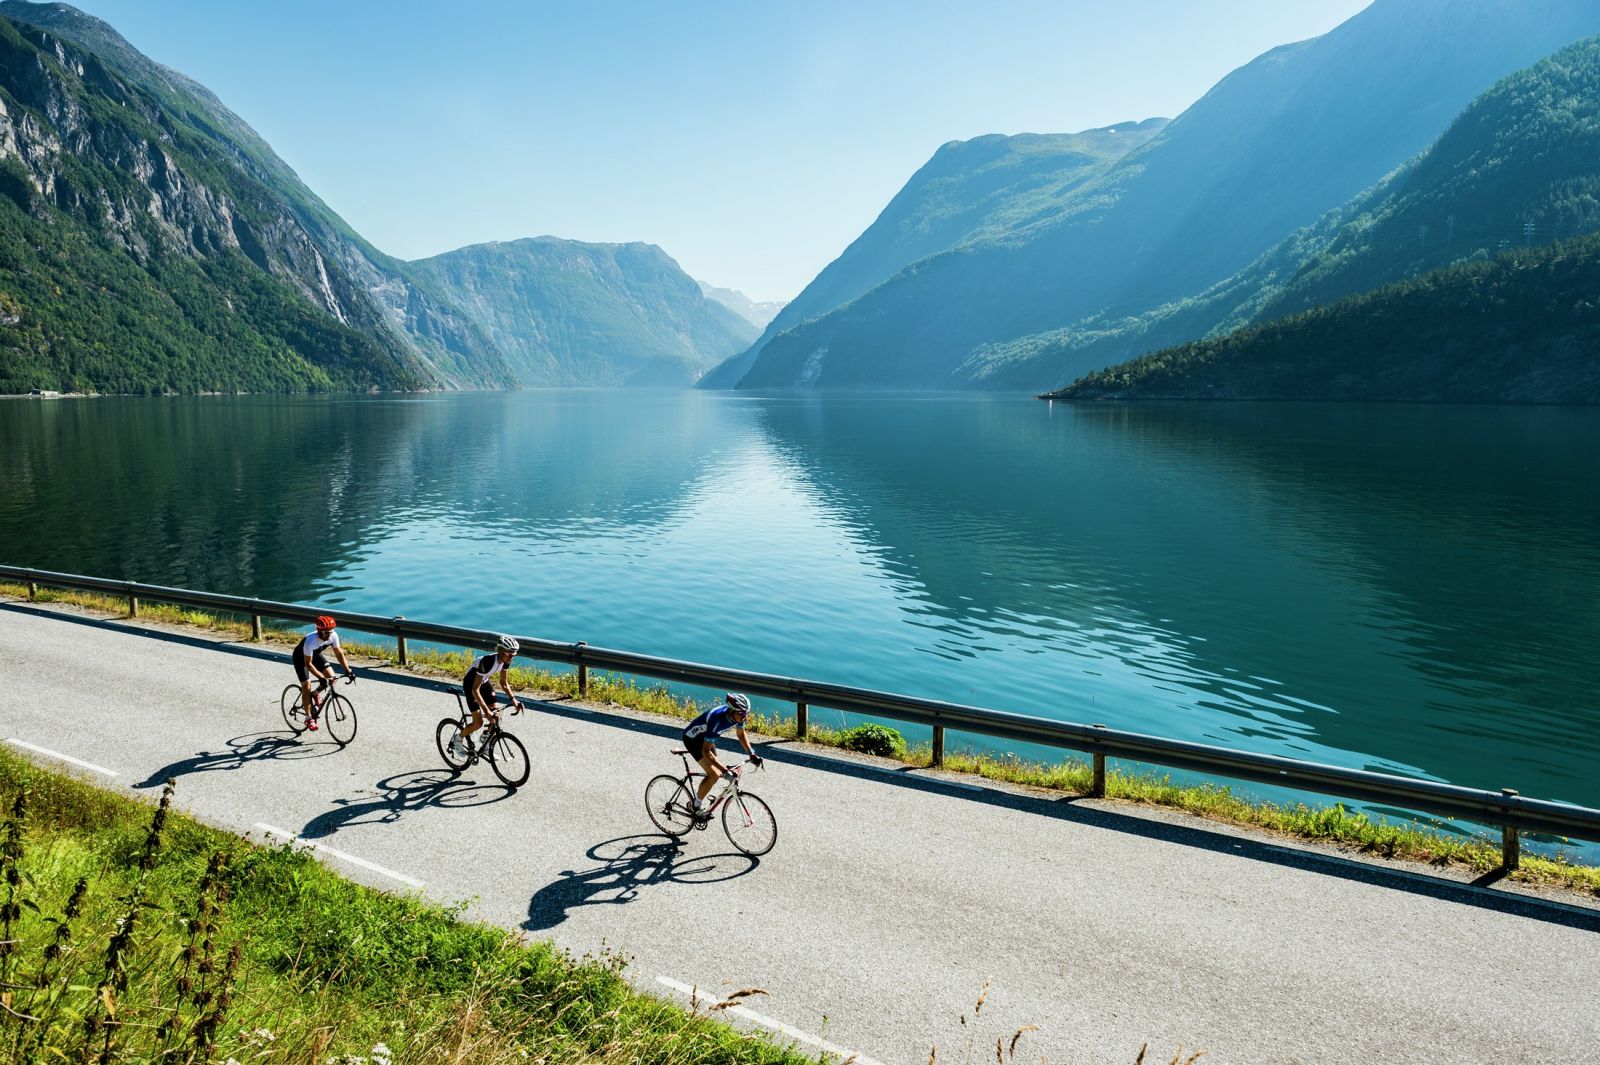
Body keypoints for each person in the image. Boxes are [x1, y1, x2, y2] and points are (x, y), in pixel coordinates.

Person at [682, 692, 763, 821]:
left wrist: (751, 753)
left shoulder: (736, 716)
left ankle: (704, 792)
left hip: (707, 739)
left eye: (746, 713)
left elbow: (741, 734)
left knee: (718, 772)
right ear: (732, 711)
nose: (745, 717)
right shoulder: (717, 720)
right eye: (742, 714)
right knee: (714, 774)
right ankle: (694, 805)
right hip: (693, 740)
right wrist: (725, 770)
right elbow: (706, 752)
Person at [451, 635, 521, 758]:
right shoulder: (487, 661)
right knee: (478, 722)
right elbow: (475, 689)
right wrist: (486, 711)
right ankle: (457, 740)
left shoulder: (506, 661)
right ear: (501, 651)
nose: (512, 657)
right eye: (510, 654)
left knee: (496, 717)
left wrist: (513, 699)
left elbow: (504, 683)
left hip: (483, 682)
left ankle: (485, 744)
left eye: (514, 655)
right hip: (471, 686)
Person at [294, 615, 354, 731]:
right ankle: (308, 718)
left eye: (330, 632)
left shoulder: (333, 636)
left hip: (315, 655)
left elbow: (339, 654)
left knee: (332, 678)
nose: (329, 635)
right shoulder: (310, 641)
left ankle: (315, 693)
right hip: (301, 659)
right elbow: (308, 664)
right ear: (319, 631)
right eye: (326, 633)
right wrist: (320, 677)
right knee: (306, 686)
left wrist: (348, 670)